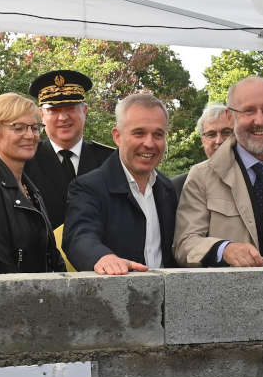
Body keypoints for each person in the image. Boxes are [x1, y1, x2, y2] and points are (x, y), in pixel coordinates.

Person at [173, 76, 263, 267]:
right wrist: (223, 249)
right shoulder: (202, 177)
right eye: (248, 111)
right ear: (230, 116)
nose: (260, 120)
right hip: (228, 294)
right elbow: (184, 245)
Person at [63, 93, 178, 274]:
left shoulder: (167, 189)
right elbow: (79, 236)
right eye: (139, 133)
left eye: (158, 134)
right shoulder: (89, 187)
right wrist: (102, 257)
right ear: (117, 136)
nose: (149, 143)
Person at [0, 93, 66, 273]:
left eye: (35, 128)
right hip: (11, 297)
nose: (30, 135)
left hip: (42, 296)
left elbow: (52, 256)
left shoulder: (30, 188)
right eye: (18, 128)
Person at [23, 69, 115, 228]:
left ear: (85, 111)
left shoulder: (111, 160)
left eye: (71, 108)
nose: (63, 117)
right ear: (41, 115)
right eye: (54, 110)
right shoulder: (25, 161)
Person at [171, 103, 232, 196]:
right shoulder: (179, 188)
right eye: (211, 134)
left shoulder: (257, 178)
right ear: (203, 141)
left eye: (226, 132)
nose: (219, 141)